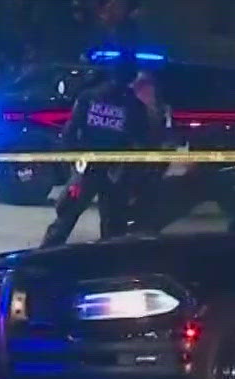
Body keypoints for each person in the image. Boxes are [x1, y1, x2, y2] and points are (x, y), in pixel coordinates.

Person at [40, 56, 157, 247]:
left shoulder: (89, 96)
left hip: (89, 168)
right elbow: (144, 142)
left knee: (65, 219)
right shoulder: (134, 106)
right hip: (115, 172)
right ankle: (109, 265)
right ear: (132, 78)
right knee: (113, 228)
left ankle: (43, 258)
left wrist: (75, 162)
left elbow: (69, 131)